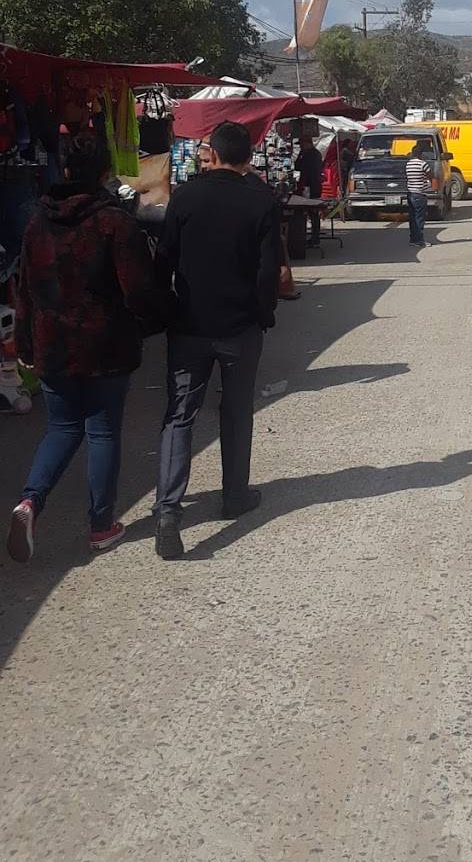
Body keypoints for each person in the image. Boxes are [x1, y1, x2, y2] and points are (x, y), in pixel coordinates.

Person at [7, 132, 169, 562]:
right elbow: (139, 289)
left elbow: (25, 289)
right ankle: (101, 526)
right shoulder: (114, 222)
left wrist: (23, 341)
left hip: (51, 344)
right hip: (105, 347)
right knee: (102, 432)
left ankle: (29, 502)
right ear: (104, 171)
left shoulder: (37, 222)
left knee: (61, 428)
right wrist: (159, 322)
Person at [153, 120, 279, 560]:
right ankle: (234, 495)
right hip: (240, 327)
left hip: (189, 326)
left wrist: (166, 308)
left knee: (179, 416)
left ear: (212, 154)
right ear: (246, 157)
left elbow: (164, 257)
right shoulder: (261, 200)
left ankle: (168, 510)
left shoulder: (185, 196)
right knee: (237, 409)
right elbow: (268, 271)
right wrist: (264, 315)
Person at [295, 133, 324, 247]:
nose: (301, 147)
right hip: (309, 185)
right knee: (311, 212)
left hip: (312, 186)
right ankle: (313, 236)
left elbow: (304, 169)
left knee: (313, 212)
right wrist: (300, 154)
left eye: (302, 144)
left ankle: (315, 237)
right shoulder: (306, 154)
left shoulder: (313, 155)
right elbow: (297, 166)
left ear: (308, 143)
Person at [405, 139, 434, 247]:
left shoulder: (408, 164)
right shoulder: (422, 164)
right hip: (420, 194)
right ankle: (419, 241)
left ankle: (413, 239)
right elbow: (431, 174)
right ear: (420, 154)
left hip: (411, 193)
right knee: (419, 219)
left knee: (412, 218)